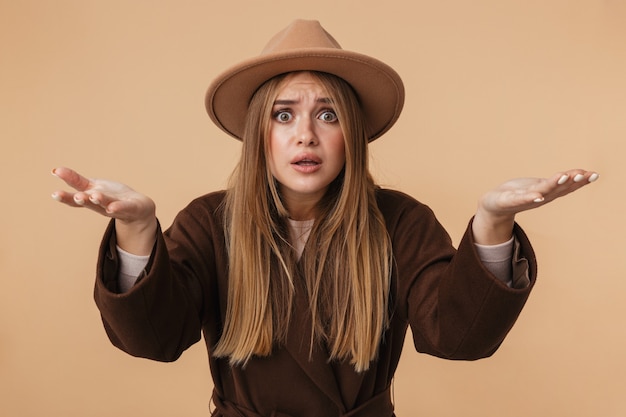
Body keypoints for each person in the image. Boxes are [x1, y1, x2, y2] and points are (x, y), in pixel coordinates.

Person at [51, 19, 598, 417]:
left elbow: (460, 336)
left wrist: (492, 223)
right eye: (284, 115)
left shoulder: (399, 221)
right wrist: (138, 231)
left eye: (327, 114)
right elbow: (154, 338)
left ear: (351, 137)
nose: (305, 134)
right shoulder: (210, 221)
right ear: (257, 135)